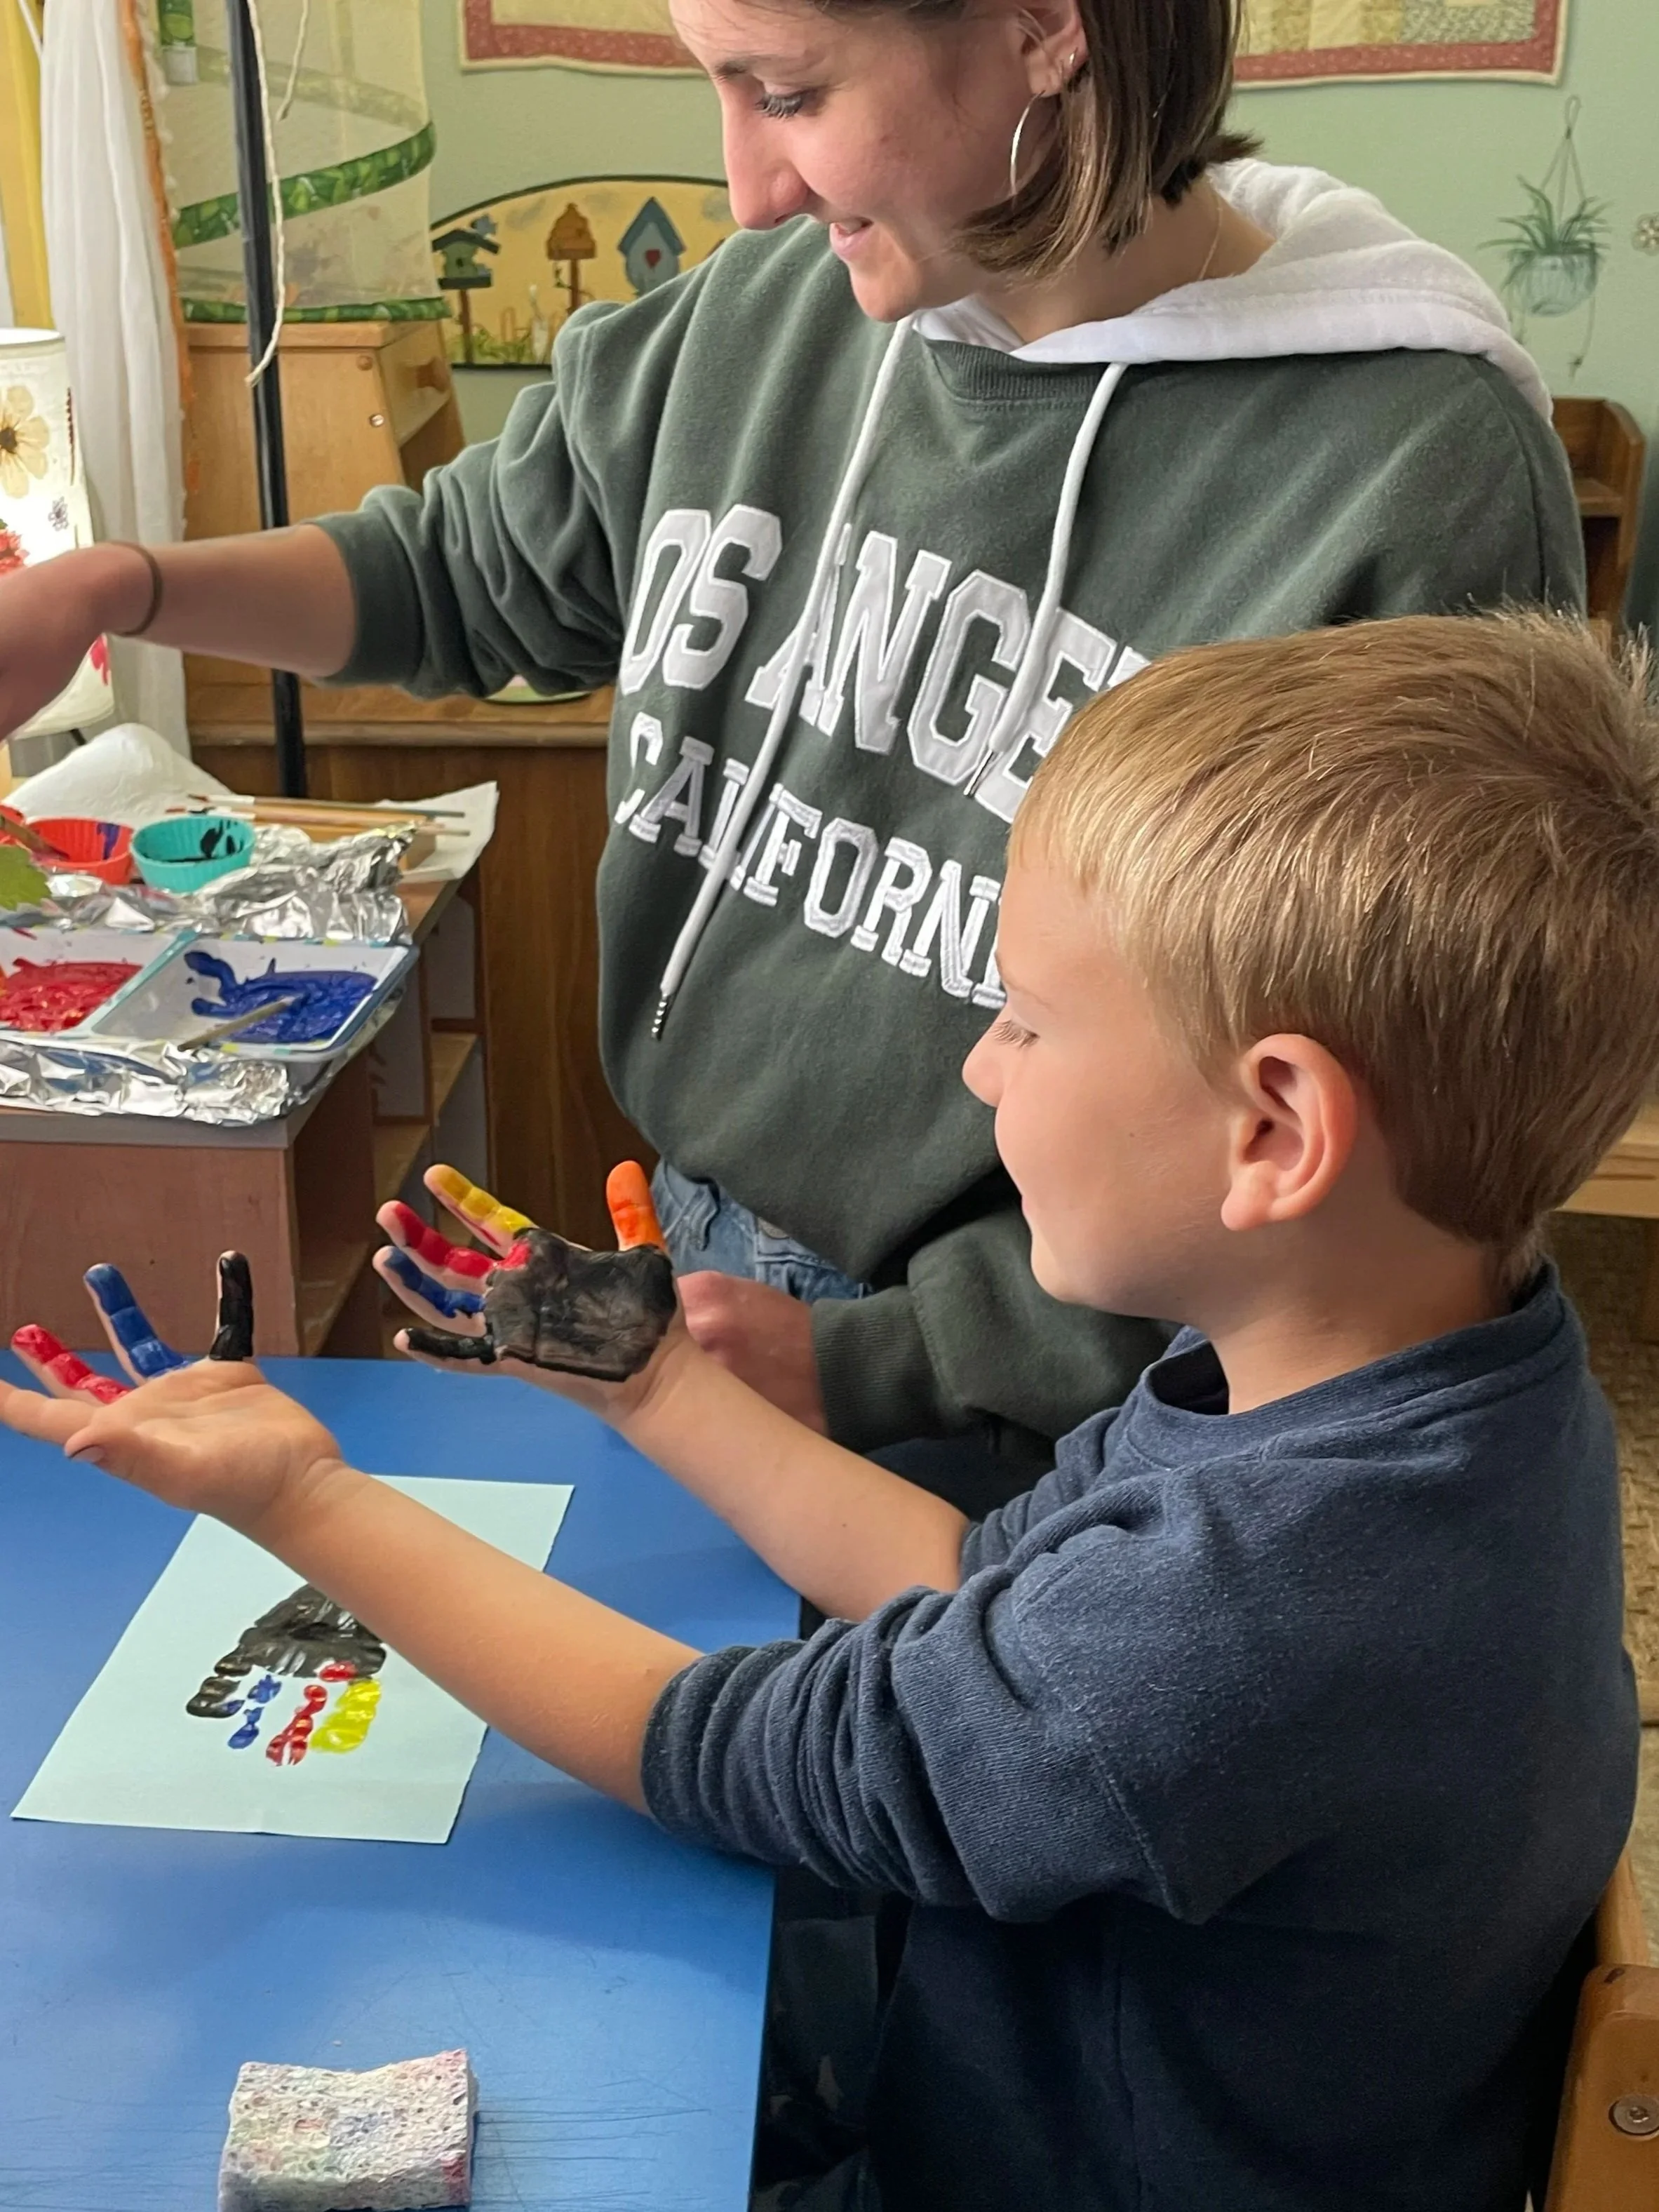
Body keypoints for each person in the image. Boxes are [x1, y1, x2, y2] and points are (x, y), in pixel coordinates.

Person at [5, 610, 1648, 2211]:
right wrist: (654, 1385)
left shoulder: (1254, 1605)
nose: (980, 1074)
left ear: (1275, 1131)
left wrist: (307, 1497)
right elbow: (978, 1583)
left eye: (1025, 1019)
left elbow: (740, 1755)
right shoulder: (1446, 1379)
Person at [0, 0, 1587, 1487]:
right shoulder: (784, 299)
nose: (747, 190)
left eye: (792, 91)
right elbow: (461, 573)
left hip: (1056, 1399)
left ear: (1044, 28)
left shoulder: (1408, 476)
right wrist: (116, 590)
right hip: (698, 1272)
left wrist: (885, 1362)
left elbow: (1371, 1159)